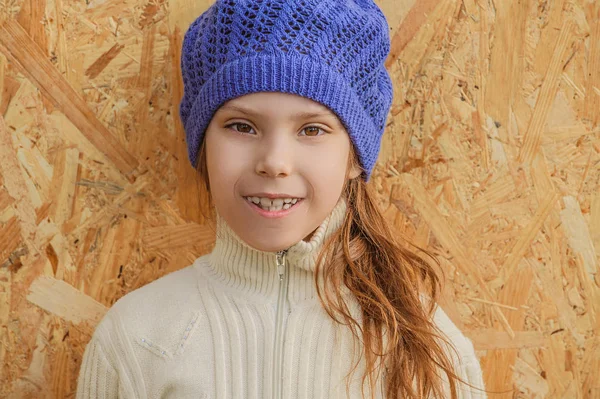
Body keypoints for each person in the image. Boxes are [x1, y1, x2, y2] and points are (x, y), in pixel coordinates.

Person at [76, 0, 488, 398]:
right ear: (203, 145)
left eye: (312, 130)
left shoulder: (426, 349)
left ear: (354, 159)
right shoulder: (136, 338)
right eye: (242, 126)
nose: (274, 163)